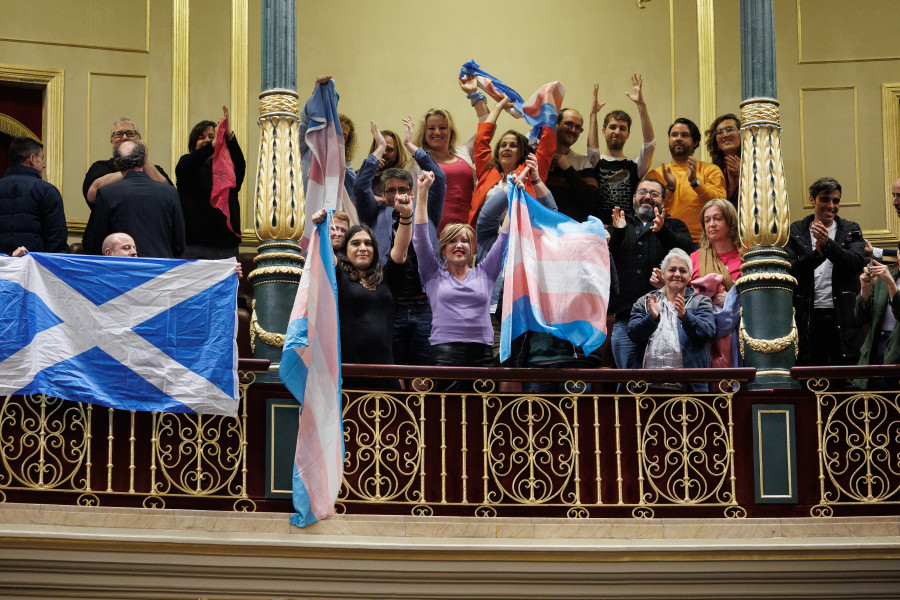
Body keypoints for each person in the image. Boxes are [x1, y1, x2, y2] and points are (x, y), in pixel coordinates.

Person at [353, 118, 447, 365]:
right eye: (391, 190)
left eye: (403, 189)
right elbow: (360, 185)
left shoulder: (426, 209)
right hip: (389, 303)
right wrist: (379, 148)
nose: (397, 195)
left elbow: (438, 176)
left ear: (412, 192)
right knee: (391, 368)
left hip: (425, 304)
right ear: (383, 194)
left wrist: (410, 145)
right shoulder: (373, 213)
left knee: (424, 371)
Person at [413, 170, 509, 366]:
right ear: (443, 249)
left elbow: (503, 239)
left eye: (464, 240)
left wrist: (515, 194)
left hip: (482, 354)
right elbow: (420, 237)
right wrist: (422, 193)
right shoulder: (432, 273)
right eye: (451, 241)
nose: (458, 245)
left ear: (472, 247)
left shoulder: (486, 272)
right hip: (444, 353)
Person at [313, 191, 413, 366]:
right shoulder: (339, 275)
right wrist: (321, 226)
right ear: (346, 249)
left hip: (385, 366)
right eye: (355, 243)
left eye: (368, 243)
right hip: (349, 367)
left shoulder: (387, 277)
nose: (363, 248)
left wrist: (405, 215)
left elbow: (401, 249)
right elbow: (325, 251)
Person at [608, 177, 692, 370]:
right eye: (643, 192)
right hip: (626, 317)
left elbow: (687, 250)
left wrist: (662, 231)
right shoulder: (619, 223)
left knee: (664, 378)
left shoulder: (675, 225)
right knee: (628, 380)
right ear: (633, 198)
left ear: (664, 201)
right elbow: (604, 258)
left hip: (668, 317)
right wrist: (618, 232)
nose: (647, 197)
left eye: (654, 194)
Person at [786, 177, 866, 366]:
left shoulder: (851, 230)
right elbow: (790, 271)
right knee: (810, 375)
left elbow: (855, 263)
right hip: (807, 315)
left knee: (844, 375)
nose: (831, 205)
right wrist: (817, 255)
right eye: (825, 199)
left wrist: (828, 245)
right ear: (812, 200)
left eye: (836, 201)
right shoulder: (797, 231)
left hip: (843, 314)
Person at [627, 248, 716, 392]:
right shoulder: (646, 301)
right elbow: (633, 334)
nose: (677, 274)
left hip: (688, 388)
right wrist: (651, 318)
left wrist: (685, 316)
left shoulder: (701, 301)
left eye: (682, 271)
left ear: (689, 276)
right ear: (663, 274)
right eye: (672, 269)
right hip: (646, 387)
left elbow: (707, 333)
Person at [412, 76, 489, 233]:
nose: (437, 132)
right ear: (424, 132)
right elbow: (414, 204)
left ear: (450, 130)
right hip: (432, 234)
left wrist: (474, 93)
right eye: (431, 128)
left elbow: (487, 123)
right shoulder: (416, 164)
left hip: (467, 232)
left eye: (442, 127)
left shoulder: (464, 152)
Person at [82, 140, 185, 259]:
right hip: (161, 268)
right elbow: (180, 245)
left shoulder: (107, 193)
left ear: (116, 164)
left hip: (123, 268)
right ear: (143, 161)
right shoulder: (170, 192)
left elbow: (98, 241)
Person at [466, 96, 555, 227]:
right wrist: (499, 107)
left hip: (520, 241)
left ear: (522, 152)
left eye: (513, 145)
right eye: (503, 145)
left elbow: (547, 146)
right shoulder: (487, 172)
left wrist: (548, 105)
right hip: (485, 242)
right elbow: (481, 141)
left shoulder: (530, 172)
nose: (507, 148)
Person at [175, 106, 246, 259]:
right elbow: (186, 166)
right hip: (194, 245)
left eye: (211, 136)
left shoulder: (228, 169)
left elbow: (240, 165)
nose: (207, 140)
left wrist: (229, 137)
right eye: (202, 137)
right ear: (194, 144)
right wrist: (213, 144)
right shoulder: (187, 164)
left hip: (227, 246)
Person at [587, 74, 656, 223]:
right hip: (599, 227)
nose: (617, 131)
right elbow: (592, 148)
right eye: (613, 127)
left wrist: (641, 106)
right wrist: (593, 115)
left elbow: (649, 144)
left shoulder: (635, 166)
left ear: (628, 134)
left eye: (622, 128)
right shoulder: (594, 162)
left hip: (627, 229)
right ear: (604, 131)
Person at [646, 118, 726, 243]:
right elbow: (648, 212)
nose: (678, 138)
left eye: (684, 135)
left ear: (695, 142)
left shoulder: (710, 170)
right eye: (674, 135)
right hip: (664, 240)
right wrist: (670, 189)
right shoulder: (656, 174)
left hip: (703, 242)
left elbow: (721, 205)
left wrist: (695, 183)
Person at [689, 198, 742, 369]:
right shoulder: (694, 258)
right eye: (707, 220)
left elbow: (757, 295)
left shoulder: (746, 257)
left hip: (739, 331)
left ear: (731, 221)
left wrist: (733, 299)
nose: (712, 224)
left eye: (718, 218)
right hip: (702, 330)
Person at [83, 117, 172, 209]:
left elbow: (168, 194)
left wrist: (143, 160)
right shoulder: (100, 167)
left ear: (139, 140)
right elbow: (93, 194)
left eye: (130, 133)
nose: (125, 137)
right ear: (111, 143)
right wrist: (135, 169)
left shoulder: (155, 169)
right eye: (119, 134)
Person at [0, 136, 68, 255]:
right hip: (33, 268)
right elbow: (56, 242)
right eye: (42, 158)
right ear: (32, 159)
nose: (44, 165)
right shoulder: (47, 191)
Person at [544, 106, 601, 223]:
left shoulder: (583, 163)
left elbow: (592, 201)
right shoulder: (540, 156)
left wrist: (568, 169)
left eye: (578, 127)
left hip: (571, 231)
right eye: (569, 124)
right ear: (557, 124)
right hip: (540, 227)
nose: (573, 130)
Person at [705, 114, 741, 208]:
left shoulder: (756, 163)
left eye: (729, 129)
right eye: (719, 132)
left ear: (741, 134)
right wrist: (731, 189)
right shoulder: (713, 171)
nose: (725, 135)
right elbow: (715, 207)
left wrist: (743, 176)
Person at [363, 129, 409, 200]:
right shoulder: (361, 174)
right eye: (380, 148)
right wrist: (370, 170)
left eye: (389, 149)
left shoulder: (404, 178)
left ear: (397, 153)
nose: (384, 152)